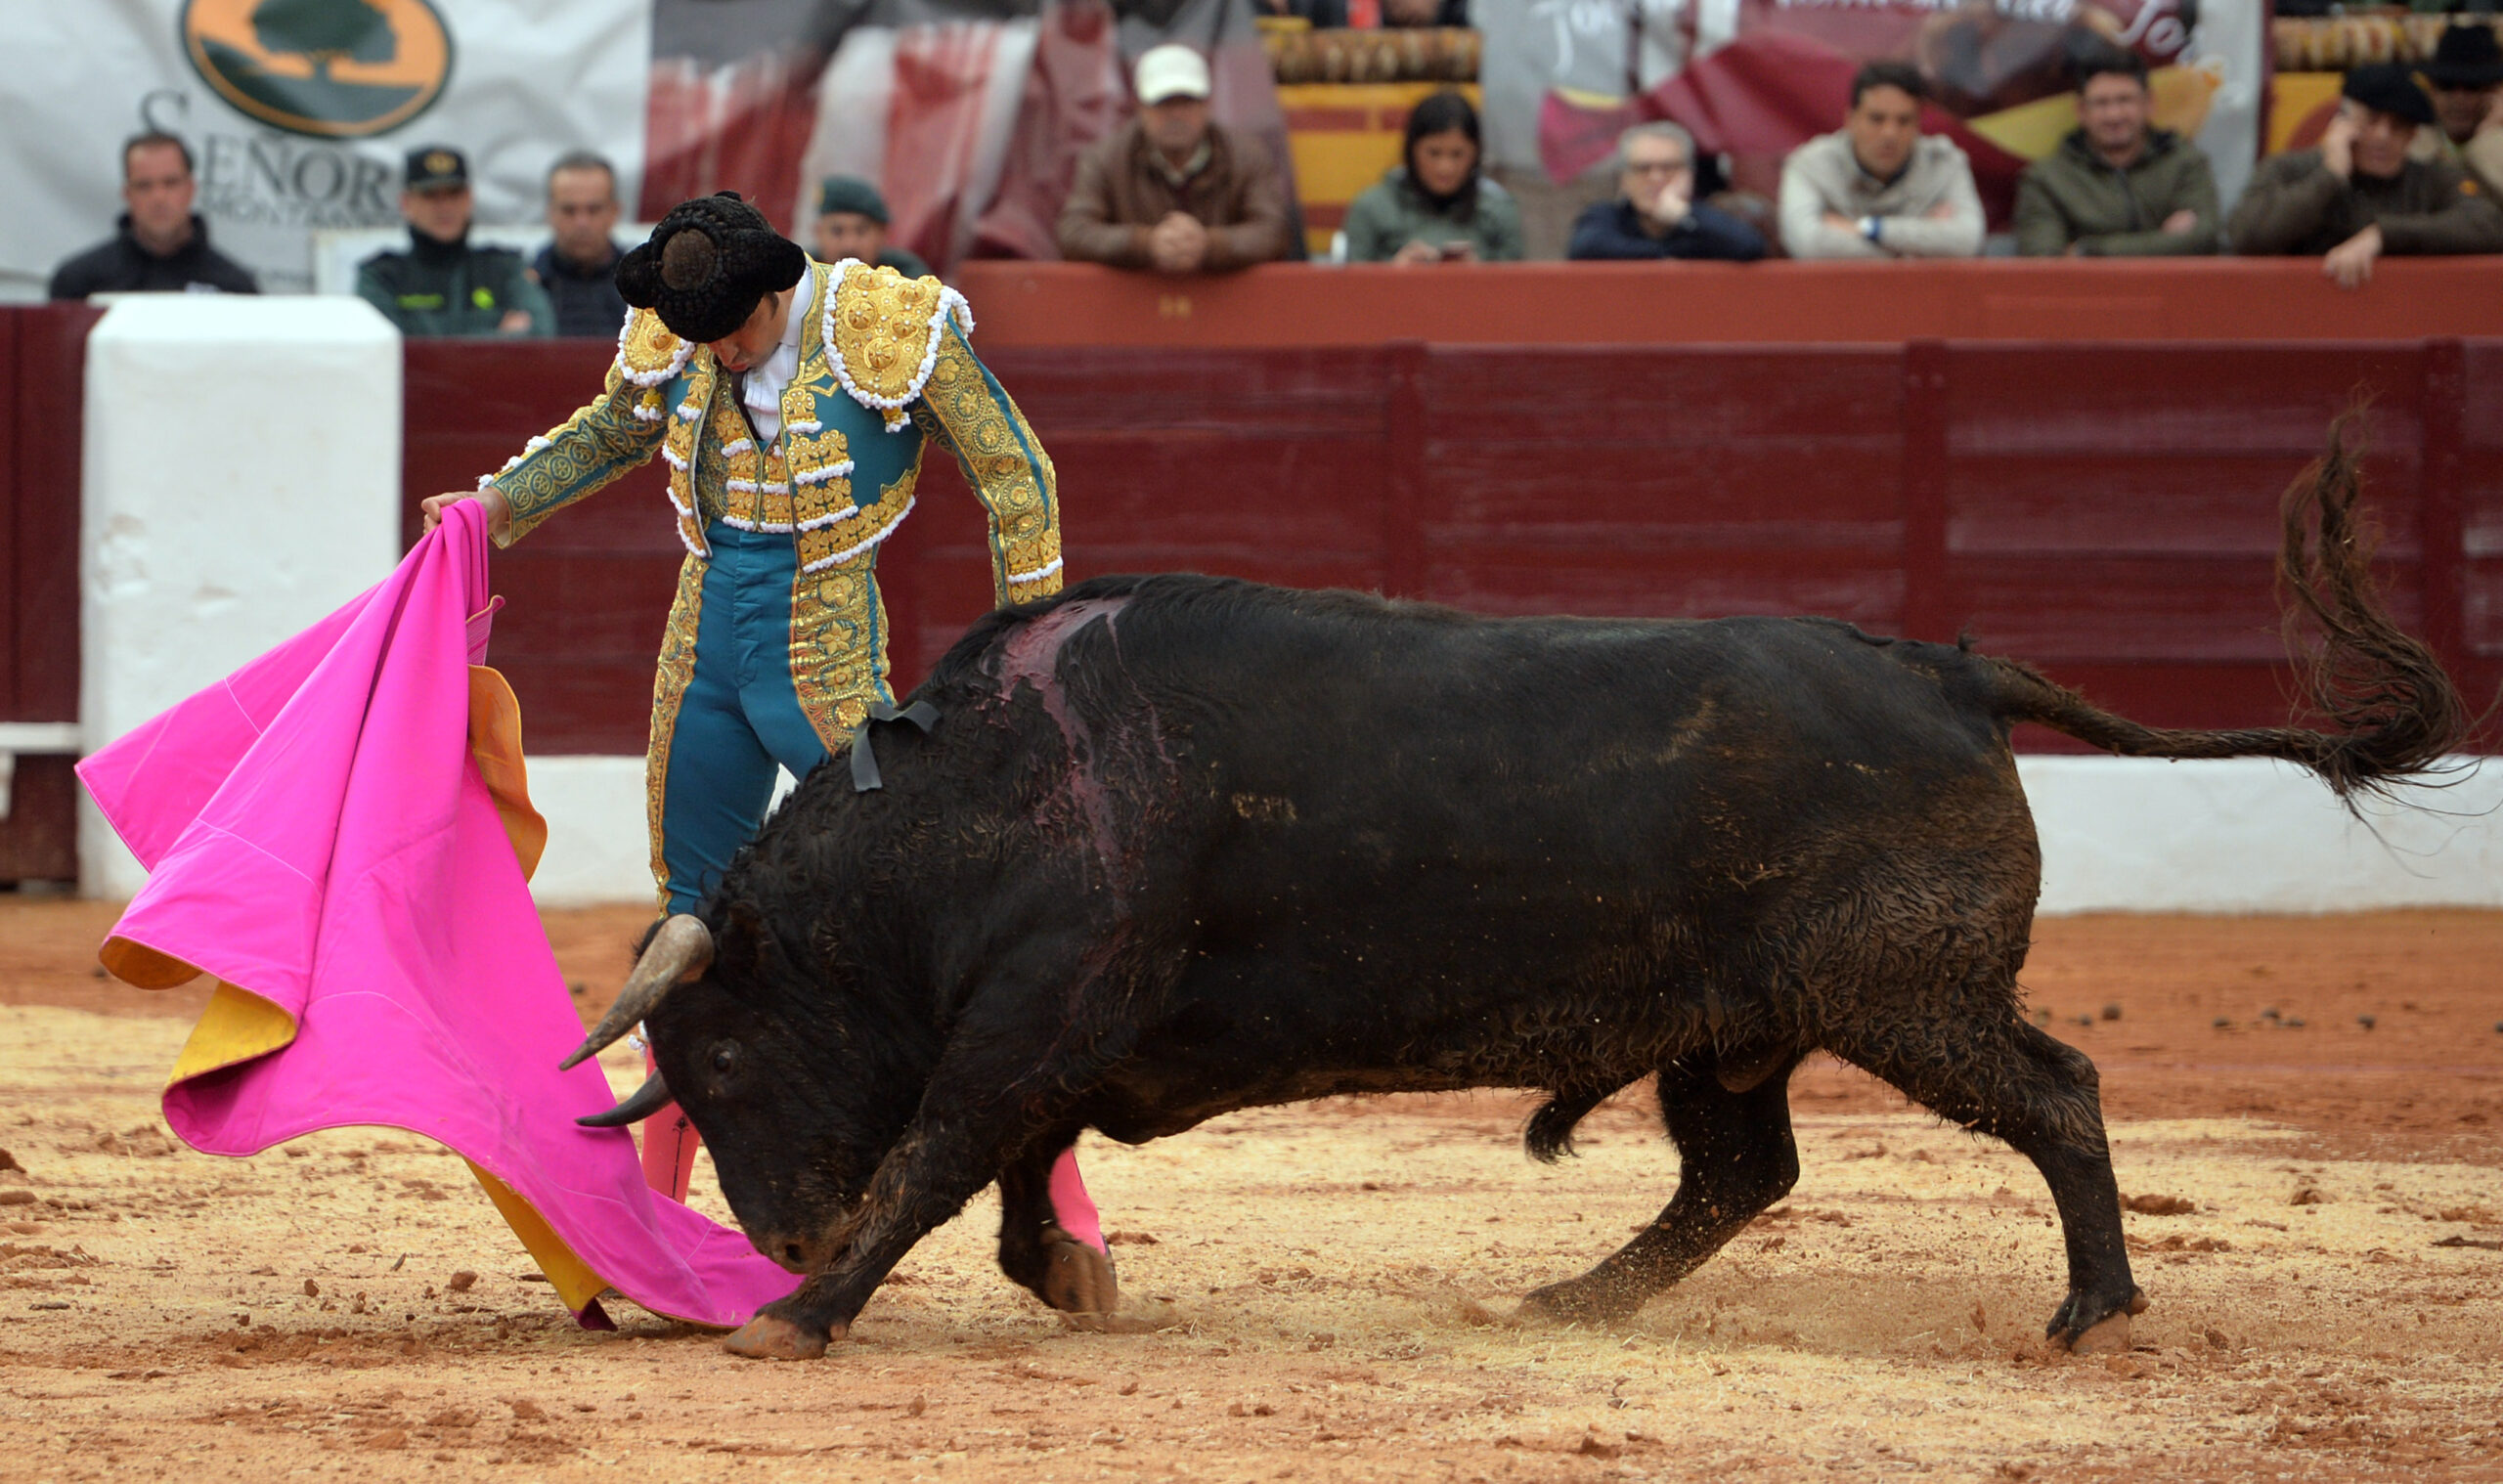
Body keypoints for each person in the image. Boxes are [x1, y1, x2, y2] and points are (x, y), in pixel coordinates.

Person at [416, 192, 1109, 1310]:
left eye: (733, 332)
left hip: (829, 659)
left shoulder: (887, 328)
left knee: (934, 931)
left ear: (778, 292)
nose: (714, 354)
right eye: (699, 337)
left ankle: (1062, 1218)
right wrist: (492, 510)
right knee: (687, 929)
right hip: (703, 662)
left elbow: (1017, 476)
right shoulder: (684, 333)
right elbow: (607, 434)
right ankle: (642, 1237)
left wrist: (1023, 655)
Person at [2227, 64, 2503, 289]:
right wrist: (2330, 176)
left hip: (2402, 320)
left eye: (2397, 127)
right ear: (2342, 122)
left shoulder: (2431, 178)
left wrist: (2384, 234)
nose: (2382, 137)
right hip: (2298, 318)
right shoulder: (2289, 169)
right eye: (2370, 120)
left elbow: (2487, 225)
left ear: (2412, 137)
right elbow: (2247, 236)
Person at [1057, 45, 1292, 274]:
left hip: (1226, 305)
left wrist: (1210, 245)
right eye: (1164, 103)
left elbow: (1274, 231)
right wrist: (1145, 244)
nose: (1176, 114)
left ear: (1207, 105)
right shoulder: (1103, 158)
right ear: (1139, 107)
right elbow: (1073, 232)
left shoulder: (1247, 156)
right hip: (1132, 305)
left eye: (1187, 102)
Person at [2013, 49, 2219, 256]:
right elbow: (2043, 260)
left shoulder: (2185, 163)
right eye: (2101, 103)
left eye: (2125, 100)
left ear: (2149, 104)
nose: (2114, 115)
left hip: (2174, 288)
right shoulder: (2046, 179)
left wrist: (2088, 250)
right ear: (2081, 111)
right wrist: (2165, 241)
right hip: (2088, 289)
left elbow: (2202, 239)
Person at [1779, 61, 1984, 260]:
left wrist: (1867, 229)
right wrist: (1921, 248)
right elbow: (1810, 244)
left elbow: (1968, 241)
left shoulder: (1945, 163)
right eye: (1876, 119)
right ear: (1851, 120)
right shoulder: (1810, 165)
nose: (1890, 134)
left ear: (1918, 124)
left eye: (1904, 121)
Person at [357, 146, 553, 337]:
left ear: (469, 198)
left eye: (453, 193)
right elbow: (384, 350)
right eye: (430, 195)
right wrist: (500, 338)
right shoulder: (381, 277)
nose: (444, 207)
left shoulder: (504, 269)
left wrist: (424, 343)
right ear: (406, 203)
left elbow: (540, 335)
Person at [49, 133, 258, 298]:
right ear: (127, 195)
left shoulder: (234, 286)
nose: (158, 197)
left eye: (170, 183)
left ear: (190, 189)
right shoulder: (79, 282)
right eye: (144, 186)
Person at [1342, 91, 1523, 263]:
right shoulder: (1370, 209)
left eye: (1457, 154)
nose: (1445, 168)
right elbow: (1350, 290)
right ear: (1412, 151)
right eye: (1434, 153)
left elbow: (1519, 289)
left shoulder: (1500, 210)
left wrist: (1478, 279)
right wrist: (1394, 277)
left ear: (1475, 154)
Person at [1566, 121, 1766, 263]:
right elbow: (1586, 248)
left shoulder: (1702, 219)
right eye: (1643, 168)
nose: (1656, 178)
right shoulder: (1605, 216)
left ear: (1689, 175)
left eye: (1668, 167)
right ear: (1624, 179)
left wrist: (1685, 217)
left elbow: (1749, 246)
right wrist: (1668, 255)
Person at [532, 151, 629, 336]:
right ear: (550, 213)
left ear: (614, 211)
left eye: (594, 210)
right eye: (569, 210)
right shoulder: (526, 290)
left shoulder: (644, 294)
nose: (582, 223)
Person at [2412, 22, 2503, 202]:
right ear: (2431, 91)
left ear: (2495, 93)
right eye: (2447, 86)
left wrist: (2486, 140)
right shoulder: (2413, 143)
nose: (2459, 99)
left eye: (2472, 87)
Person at [811, 176, 932, 280]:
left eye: (861, 232)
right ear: (818, 232)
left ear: (882, 234)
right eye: (837, 231)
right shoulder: (803, 274)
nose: (849, 245)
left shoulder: (906, 276)